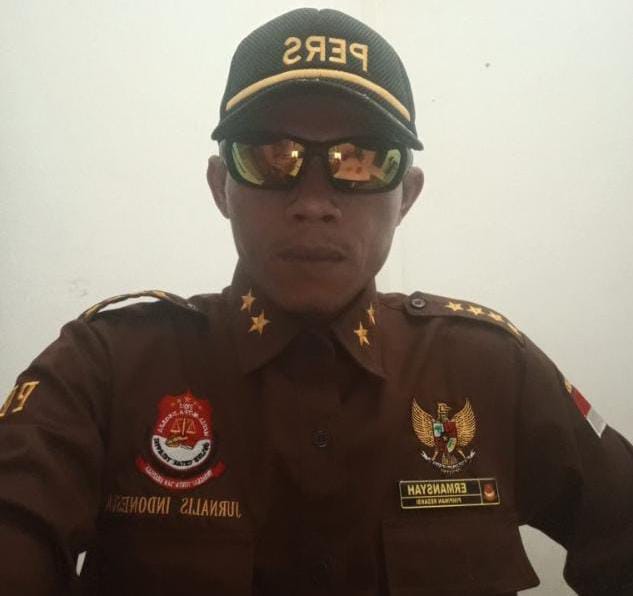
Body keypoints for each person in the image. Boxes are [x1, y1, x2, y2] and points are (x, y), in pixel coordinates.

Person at [0, 7, 632, 596]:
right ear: (221, 187)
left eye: (359, 161)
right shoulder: (106, 368)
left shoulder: (491, 370)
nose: (313, 202)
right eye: (271, 157)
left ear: (406, 196)